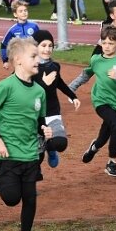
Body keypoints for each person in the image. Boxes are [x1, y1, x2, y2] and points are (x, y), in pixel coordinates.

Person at [0, 38, 52, 231]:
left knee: (30, 198)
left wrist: (45, 130)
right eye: (33, 56)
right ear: (18, 60)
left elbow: (40, 121)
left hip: (30, 154)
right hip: (7, 153)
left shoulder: (39, 91)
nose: (38, 60)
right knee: (11, 199)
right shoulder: (5, 86)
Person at [72, 26, 116, 177]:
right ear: (100, 43)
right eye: (105, 42)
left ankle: (94, 147)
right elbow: (85, 75)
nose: (107, 46)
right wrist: (71, 88)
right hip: (101, 101)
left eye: (111, 43)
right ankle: (111, 163)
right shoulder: (96, 60)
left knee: (104, 135)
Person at [32, 29, 80, 168]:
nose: (47, 49)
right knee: (37, 156)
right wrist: (43, 84)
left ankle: (50, 147)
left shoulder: (54, 66)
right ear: (35, 47)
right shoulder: (29, 67)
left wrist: (73, 96)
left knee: (60, 143)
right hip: (35, 114)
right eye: (43, 45)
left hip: (52, 112)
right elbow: (24, 89)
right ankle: (34, 176)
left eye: (50, 46)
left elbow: (59, 83)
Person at [1, 0, 39, 70]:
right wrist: (5, 60)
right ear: (15, 14)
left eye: (25, 10)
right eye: (20, 11)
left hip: (33, 57)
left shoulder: (34, 26)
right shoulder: (12, 30)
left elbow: (40, 41)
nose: (24, 13)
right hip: (19, 59)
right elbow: (4, 45)